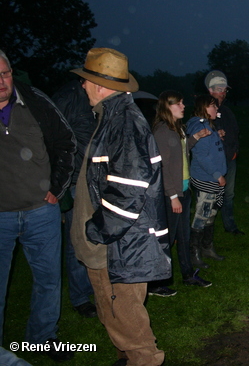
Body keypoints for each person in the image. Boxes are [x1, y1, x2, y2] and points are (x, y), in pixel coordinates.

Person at [70, 47, 170, 366]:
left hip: (118, 248)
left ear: (101, 85)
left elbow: (130, 188)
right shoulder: (111, 117)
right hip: (111, 246)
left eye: (86, 81)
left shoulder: (123, 123)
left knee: (129, 324)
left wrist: (97, 231)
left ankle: (139, 360)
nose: (83, 86)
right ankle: (126, 359)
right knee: (114, 315)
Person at [0, 49, 76, 362]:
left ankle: (42, 338)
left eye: (4, 74)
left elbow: (66, 142)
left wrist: (56, 189)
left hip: (41, 212)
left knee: (48, 280)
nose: (1, 82)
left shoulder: (33, 100)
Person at [152, 90, 212, 288]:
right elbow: (162, 167)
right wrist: (172, 196)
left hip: (183, 190)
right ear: (167, 107)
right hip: (172, 194)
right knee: (166, 239)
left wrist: (195, 137)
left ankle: (187, 275)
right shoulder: (162, 132)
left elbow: (182, 152)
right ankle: (156, 282)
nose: (183, 106)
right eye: (179, 103)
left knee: (183, 236)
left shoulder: (176, 128)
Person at [52, 80, 98, 317]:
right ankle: (80, 297)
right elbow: (53, 139)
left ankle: (93, 287)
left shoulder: (96, 101)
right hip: (74, 182)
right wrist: (59, 186)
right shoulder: (69, 96)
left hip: (94, 179)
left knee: (94, 237)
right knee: (76, 242)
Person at [186, 94, 228, 269]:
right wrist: (218, 174)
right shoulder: (201, 126)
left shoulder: (208, 126)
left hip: (212, 180)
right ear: (203, 108)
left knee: (210, 215)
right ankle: (193, 253)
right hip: (207, 179)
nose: (216, 109)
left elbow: (209, 147)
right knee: (201, 216)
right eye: (213, 106)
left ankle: (207, 247)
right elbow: (201, 156)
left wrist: (216, 135)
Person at [205, 71, 244, 235]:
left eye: (225, 89)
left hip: (230, 160)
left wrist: (235, 151)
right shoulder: (204, 112)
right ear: (210, 90)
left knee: (228, 194)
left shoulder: (227, 112)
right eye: (220, 89)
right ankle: (206, 229)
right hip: (212, 163)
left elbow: (235, 132)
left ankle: (230, 226)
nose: (223, 92)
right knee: (210, 196)